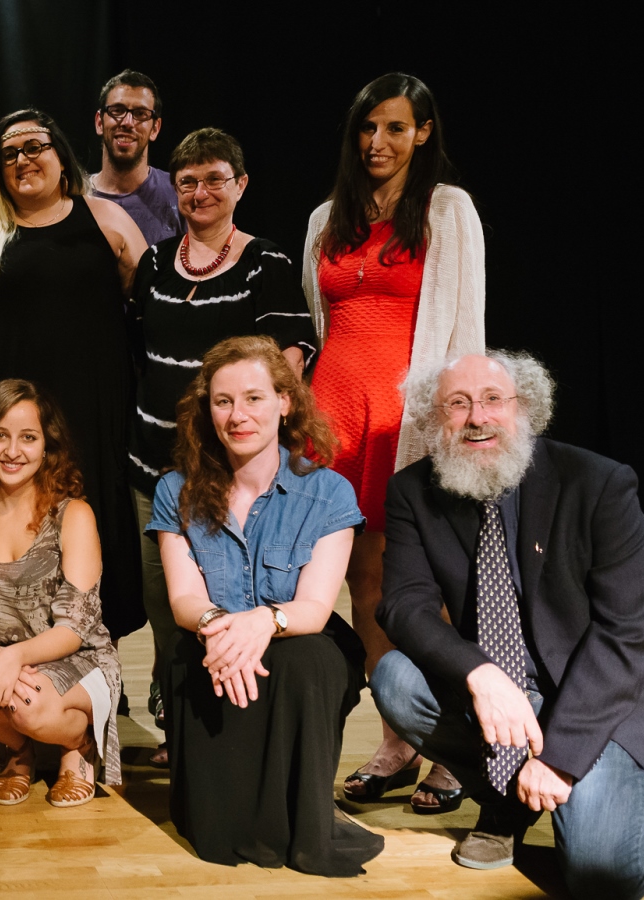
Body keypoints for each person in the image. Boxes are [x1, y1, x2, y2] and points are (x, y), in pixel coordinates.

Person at [373, 351, 644, 898]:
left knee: (604, 876)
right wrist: (479, 674)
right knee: (396, 678)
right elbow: (404, 604)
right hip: (504, 692)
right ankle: (508, 800)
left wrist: (559, 760)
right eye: (457, 404)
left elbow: (627, 633)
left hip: (599, 700)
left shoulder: (598, 483)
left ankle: (605, 790)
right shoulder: (413, 491)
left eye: (492, 400)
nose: (476, 417)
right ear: (435, 419)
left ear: (524, 408)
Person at [303, 72, 485, 812]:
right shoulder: (327, 216)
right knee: (362, 585)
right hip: (333, 418)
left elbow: (464, 324)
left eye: (392, 128)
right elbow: (319, 327)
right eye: (365, 128)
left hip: (407, 421)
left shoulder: (447, 209)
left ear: (423, 132)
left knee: (427, 592)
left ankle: (448, 752)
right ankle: (395, 742)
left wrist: (462, 424)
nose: (376, 142)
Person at [147, 336, 382, 876]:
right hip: (215, 636)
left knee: (309, 660)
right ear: (206, 410)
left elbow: (315, 609)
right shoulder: (176, 490)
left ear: (285, 401)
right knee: (191, 657)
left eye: (254, 398)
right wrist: (219, 629)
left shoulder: (329, 493)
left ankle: (299, 823)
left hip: (297, 632)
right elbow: (185, 598)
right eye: (223, 401)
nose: (237, 415)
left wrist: (261, 621)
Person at [127, 128, 317, 764]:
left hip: (226, 472)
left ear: (240, 185)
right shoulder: (154, 264)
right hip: (152, 471)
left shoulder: (268, 264)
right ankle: (175, 712)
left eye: (214, 179)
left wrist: (251, 440)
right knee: (165, 603)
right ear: (173, 190)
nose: (200, 192)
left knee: (228, 590)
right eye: (187, 182)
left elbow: (285, 365)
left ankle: (238, 713)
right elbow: (135, 354)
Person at [0, 108, 148, 640]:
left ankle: (94, 670)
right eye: (9, 153)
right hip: (3, 426)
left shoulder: (107, 220)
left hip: (90, 421)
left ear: (60, 156)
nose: (23, 160)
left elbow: (150, 312)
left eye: (34, 147)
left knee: (89, 536)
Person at [0, 379, 123, 807]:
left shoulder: (73, 513)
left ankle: (78, 749)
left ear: (47, 445)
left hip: (77, 660)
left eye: (28, 437)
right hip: (5, 659)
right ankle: (18, 753)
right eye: (0, 436)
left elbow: (75, 628)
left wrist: (13, 658)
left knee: (27, 703)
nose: (13, 451)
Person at [88, 69, 182, 244]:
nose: (127, 123)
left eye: (140, 114)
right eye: (117, 110)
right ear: (100, 122)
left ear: (155, 128)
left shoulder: (179, 193)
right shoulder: (73, 197)